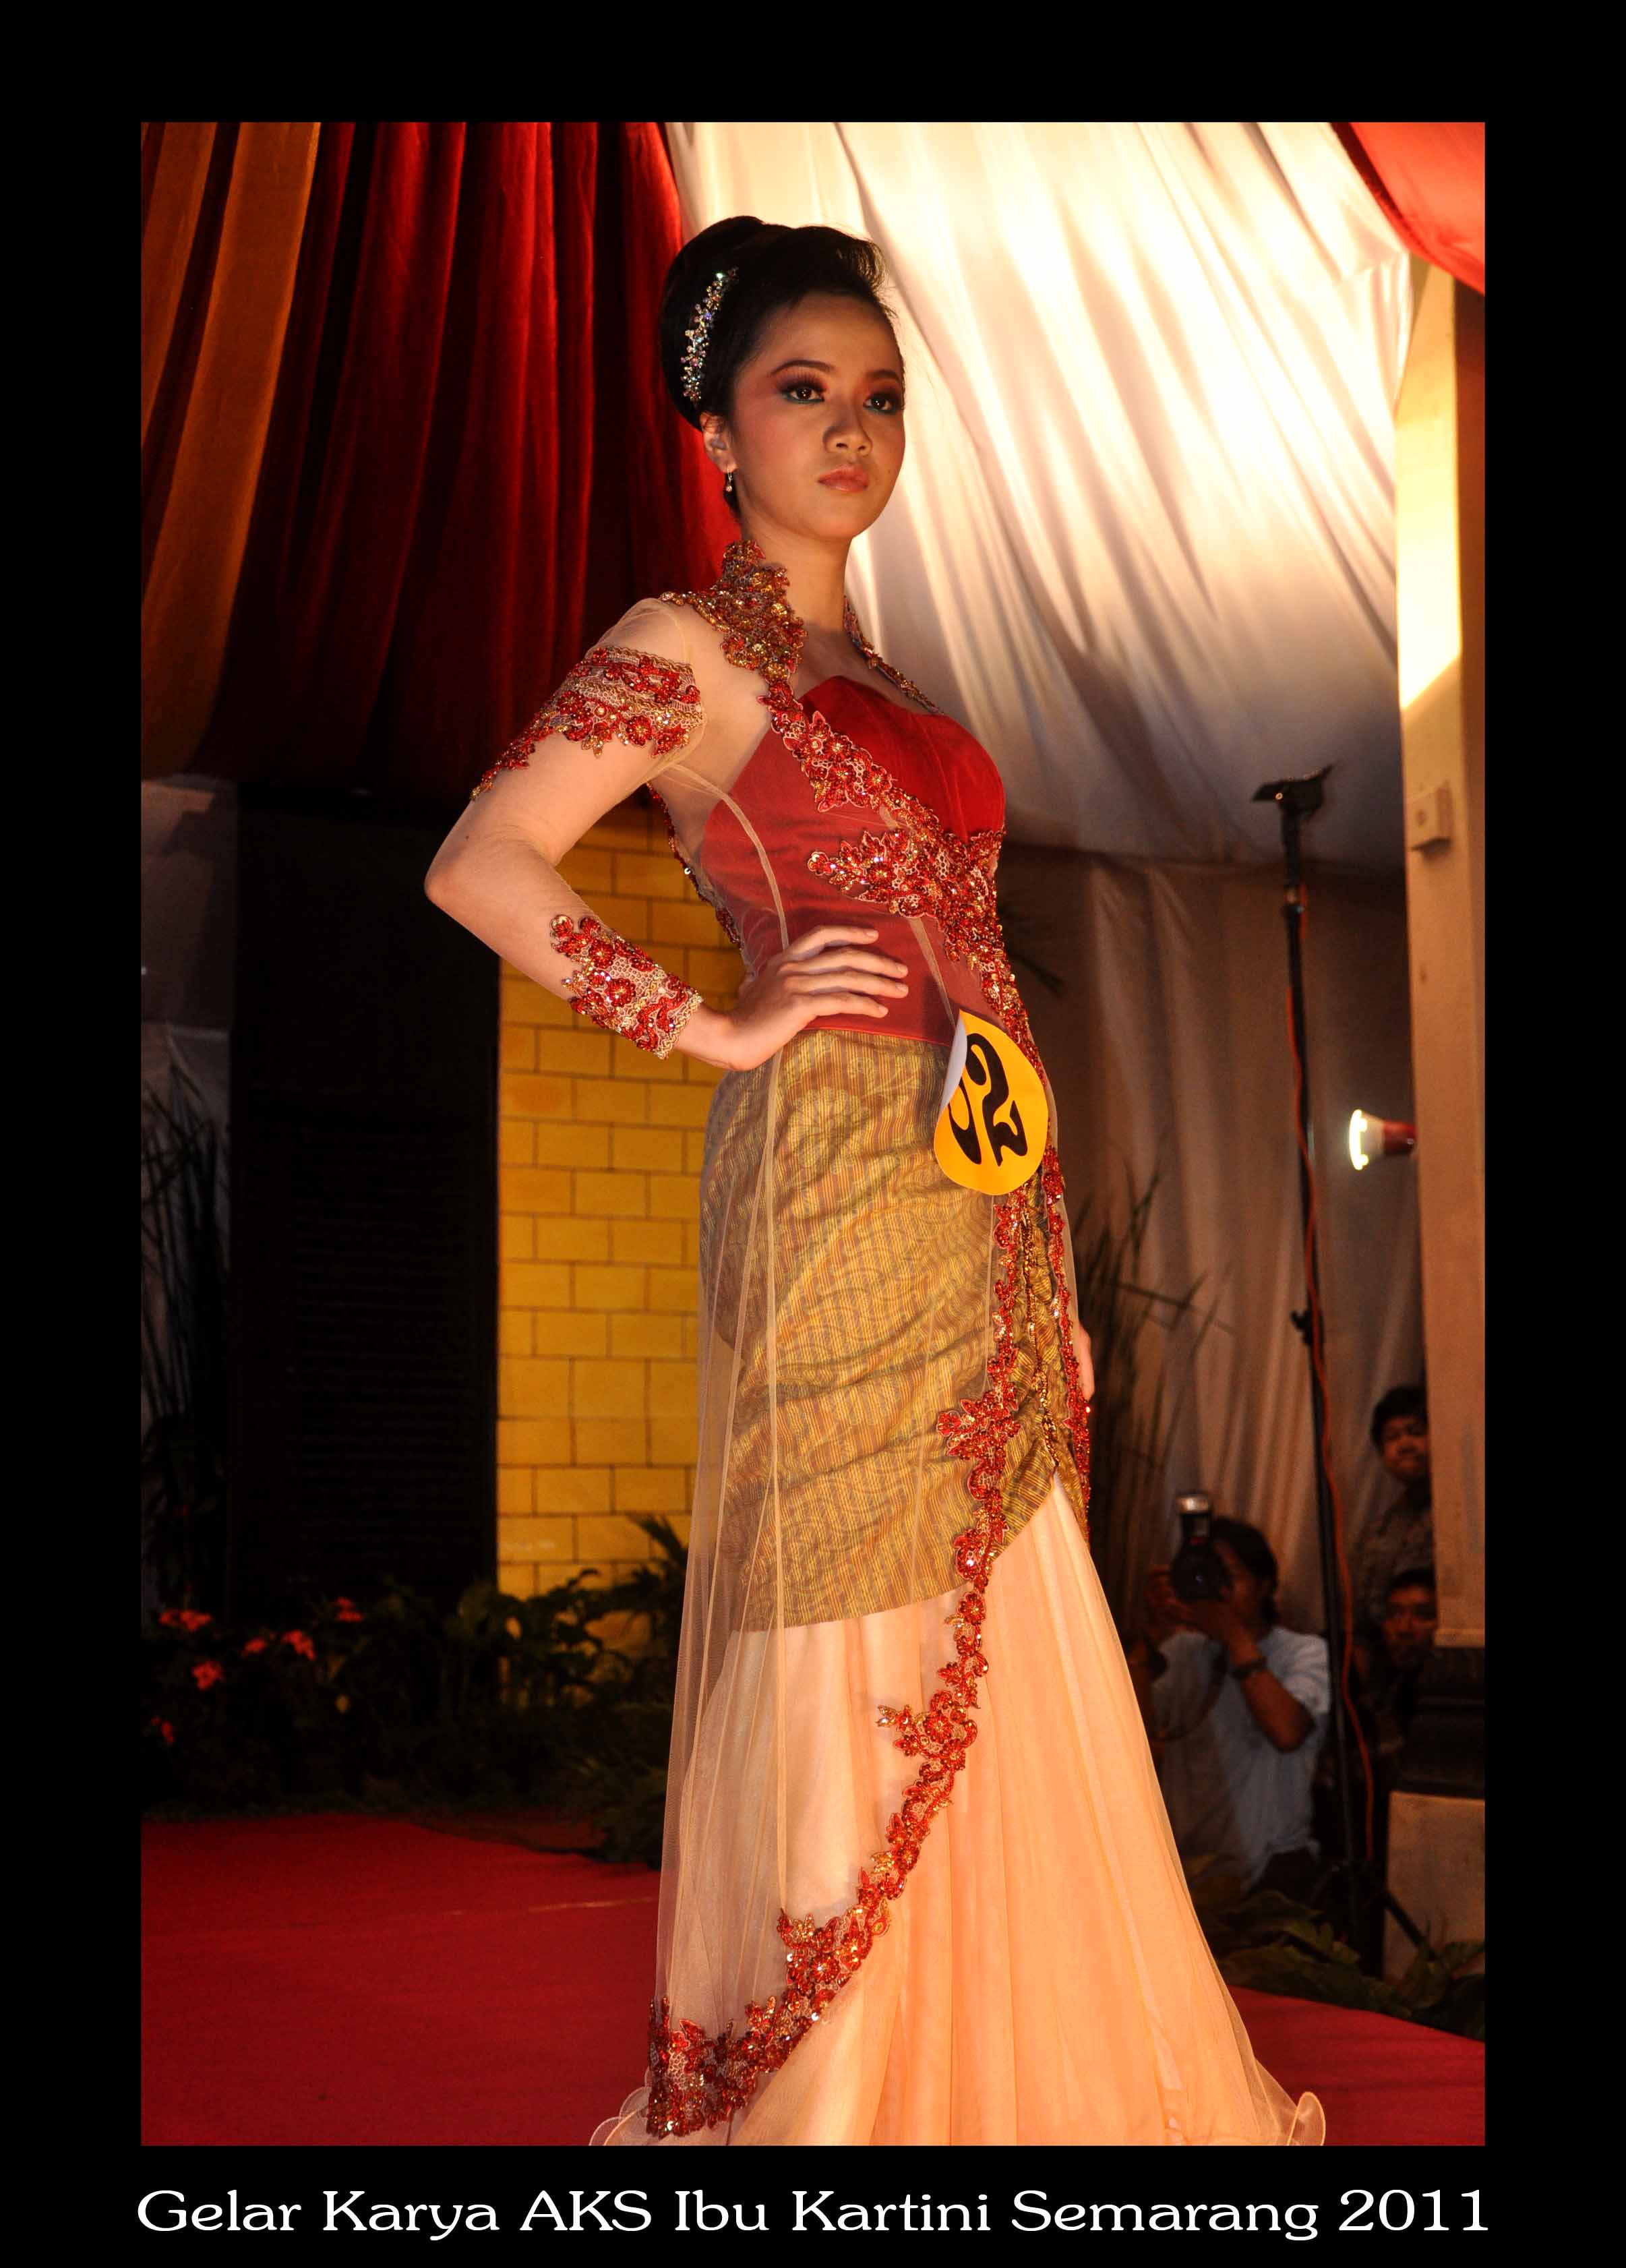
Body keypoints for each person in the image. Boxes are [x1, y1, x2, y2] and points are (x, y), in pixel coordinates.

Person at [425, 216, 1323, 2147]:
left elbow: (978, 970)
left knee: (1003, 1596)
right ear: (716, 431)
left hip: (975, 1178)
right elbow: (479, 860)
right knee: (848, 1590)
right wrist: (707, 1022)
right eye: (802, 390)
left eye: (881, 395)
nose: (850, 430)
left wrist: (1048, 1258)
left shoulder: (886, 669)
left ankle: (1003, 2078)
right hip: (829, 1158)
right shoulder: (682, 648)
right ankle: (838, 2085)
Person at [1127, 1520, 1331, 1902]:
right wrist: (1151, 1636)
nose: (1217, 1589)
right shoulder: (1183, 1650)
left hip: (1272, 1866)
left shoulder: (1305, 1653)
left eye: (1230, 1576)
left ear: (1266, 1584)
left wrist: (1232, 1634)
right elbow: (1130, 1734)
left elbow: (1287, 1731)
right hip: (1188, 1867)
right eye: (1206, 1576)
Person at [1350, 1385, 1433, 1654]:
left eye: (1416, 1432)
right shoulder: (1378, 1531)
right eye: (1393, 1437)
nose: (1405, 1445)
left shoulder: (1466, 1514)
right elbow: (1362, 1620)